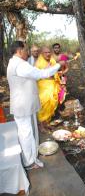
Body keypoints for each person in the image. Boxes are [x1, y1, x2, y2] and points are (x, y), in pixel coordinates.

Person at [7, 41, 65, 169]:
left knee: (28, 132)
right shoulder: (20, 65)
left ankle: (31, 157)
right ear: (20, 50)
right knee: (26, 133)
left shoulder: (15, 63)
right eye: (26, 50)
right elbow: (41, 74)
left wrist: (45, 69)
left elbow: (33, 75)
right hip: (23, 105)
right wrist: (58, 65)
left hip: (24, 105)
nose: (28, 53)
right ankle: (29, 162)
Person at [35, 46, 66, 132]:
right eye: (46, 52)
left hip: (53, 84)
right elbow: (38, 75)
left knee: (51, 105)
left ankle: (46, 124)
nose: (48, 54)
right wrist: (46, 69)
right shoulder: (38, 63)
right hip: (43, 85)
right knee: (44, 105)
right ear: (42, 53)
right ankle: (41, 126)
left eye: (49, 52)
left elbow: (56, 71)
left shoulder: (52, 60)